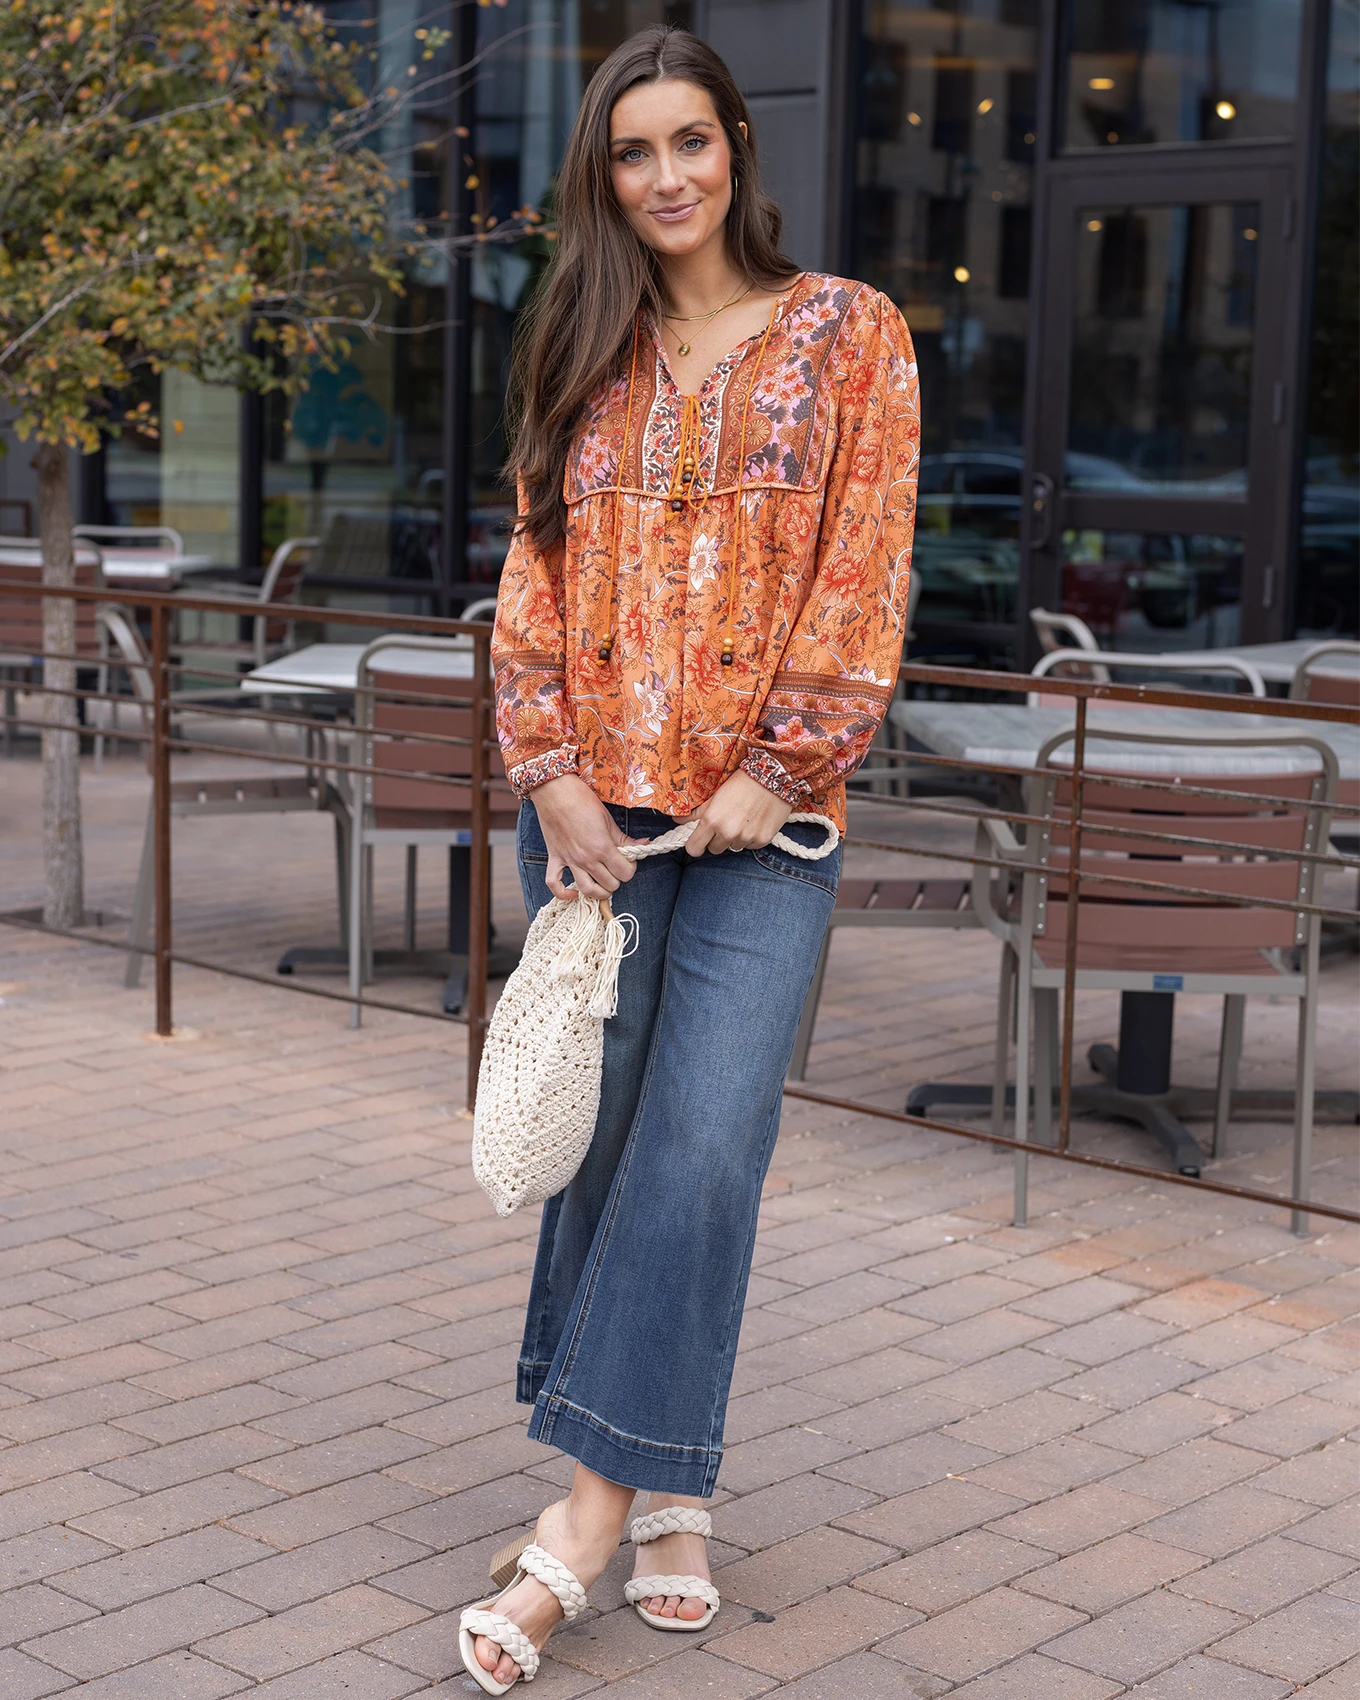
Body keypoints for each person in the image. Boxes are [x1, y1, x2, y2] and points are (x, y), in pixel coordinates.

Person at [459, 24, 918, 1693]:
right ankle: (665, 1489)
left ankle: (577, 1520)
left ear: (739, 148)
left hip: (764, 830)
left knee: (706, 1155)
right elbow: (529, 576)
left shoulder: (849, 334)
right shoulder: (580, 335)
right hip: (593, 829)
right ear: (606, 173)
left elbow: (866, 574)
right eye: (633, 152)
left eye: (691, 143)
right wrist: (552, 777)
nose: (665, 178)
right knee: (600, 1147)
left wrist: (778, 766)